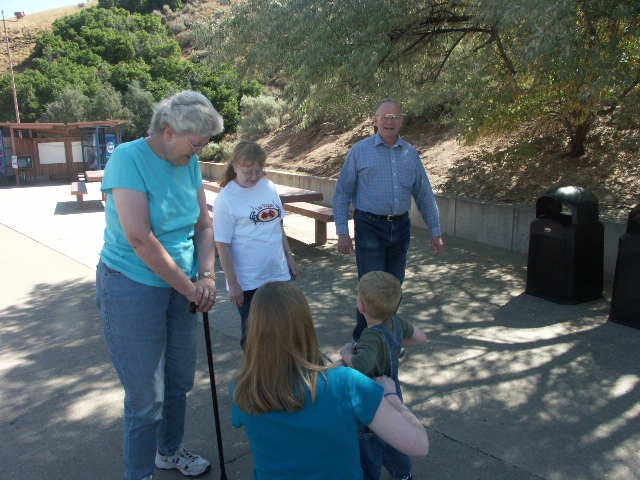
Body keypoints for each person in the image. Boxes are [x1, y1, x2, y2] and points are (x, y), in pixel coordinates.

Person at [95, 90, 223, 480]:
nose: (199, 152)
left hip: (182, 285)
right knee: (146, 398)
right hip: (131, 284)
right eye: (195, 144)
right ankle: (140, 473)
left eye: (204, 145)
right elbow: (139, 238)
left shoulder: (189, 162)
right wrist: (190, 288)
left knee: (179, 382)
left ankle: (168, 452)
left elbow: (203, 225)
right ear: (168, 132)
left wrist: (207, 275)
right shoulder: (128, 159)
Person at [231, 281, 429, 479]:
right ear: (306, 324)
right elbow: (419, 445)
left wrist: (328, 372)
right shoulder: (347, 384)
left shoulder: (242, 387)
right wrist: (392, 397)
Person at [333, 98, 444, 343]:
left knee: (394, 289)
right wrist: (342, 231)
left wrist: (435, 231)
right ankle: (363, 342)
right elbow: (342, 192)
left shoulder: (410, 153)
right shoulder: (360, 151)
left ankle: (387, 340)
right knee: (372, 289)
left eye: (394, 117)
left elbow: (424, 194)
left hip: (401, 228)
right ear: (375, 120)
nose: (389, 122)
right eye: (384, 117)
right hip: (369, 227)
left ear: (401, 121)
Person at [339, 271, 428, 480]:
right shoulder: (397, 322)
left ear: (361, 307)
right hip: (392, 391)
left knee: (369, 446)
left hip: (372, 398)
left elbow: (362, 365)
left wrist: (346, 353)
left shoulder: (370, 336)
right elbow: (421, 338)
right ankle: (403, 474)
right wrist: (393, 344)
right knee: (396, 437)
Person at [213, 141, 298, 350]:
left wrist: (289, 256)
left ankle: (283, 369)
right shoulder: (225, 199)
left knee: (285, 330)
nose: (254, 177)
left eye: (259, 171)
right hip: (249, 281)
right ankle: (255, 370)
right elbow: (222, 245)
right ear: (235, 166)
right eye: (248, 172)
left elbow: (278, 225)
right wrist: (233, 284)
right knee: (254, 336)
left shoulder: (268, 186)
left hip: (278, 272)